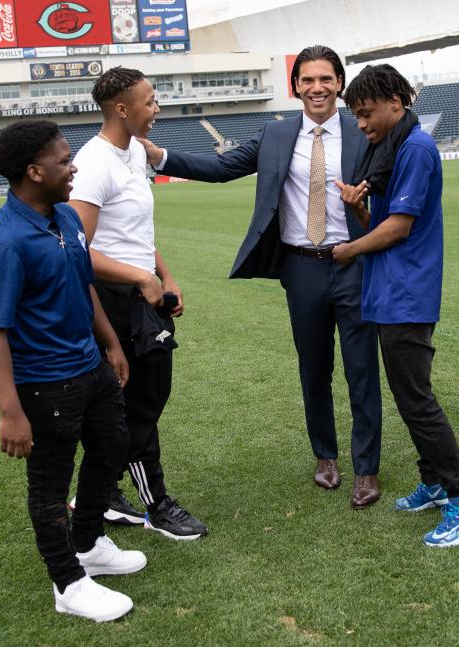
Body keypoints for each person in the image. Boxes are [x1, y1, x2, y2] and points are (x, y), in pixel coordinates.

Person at [138, 46, 383, 509]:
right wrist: (160, 155)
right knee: (314, 368)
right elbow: (221, 168)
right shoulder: (275, 135)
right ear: (295, 86)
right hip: (301, 267)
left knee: (362, 370)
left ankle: (366, 467)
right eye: (307, 80)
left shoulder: (363, 132)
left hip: (355, 264)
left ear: (340, 83)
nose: (317, 88)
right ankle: (325, 456)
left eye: (325, 79)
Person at [0, 120, 147, 622]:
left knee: (113, 446)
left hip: (89, 366)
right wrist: (10, 411)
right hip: (45, 383)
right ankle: (68, 583)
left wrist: (111, 344)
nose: (73, 168)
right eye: (64, 161)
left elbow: (84, 284)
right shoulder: (3, 243)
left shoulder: (66, 217)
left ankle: (89, 543)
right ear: (34, 171)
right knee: (49, 483)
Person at [332, 65, 459, 547]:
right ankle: (436, 481)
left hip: (407, 293)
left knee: (416, 400)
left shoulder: (417, 148)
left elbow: (398, 229)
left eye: (366, 114)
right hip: (389, 290)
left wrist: (347, 250)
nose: (361, 125)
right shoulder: (392, 148)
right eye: (356, 117)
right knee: (409, 395)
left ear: (396, 104)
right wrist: (355, 207)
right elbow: (378, 221)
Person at [68, 67, 208, 540]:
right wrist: (139, 277)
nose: (157, 109)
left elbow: (134, 234)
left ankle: (102, 492)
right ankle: (156, 506)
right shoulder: (94, 163)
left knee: (140, 400)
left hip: (143, 292)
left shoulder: (135, 153)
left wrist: (163, 274)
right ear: (122, 109)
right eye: (150, 101)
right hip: (114, 299)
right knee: (139, 405)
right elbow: (76, 249)